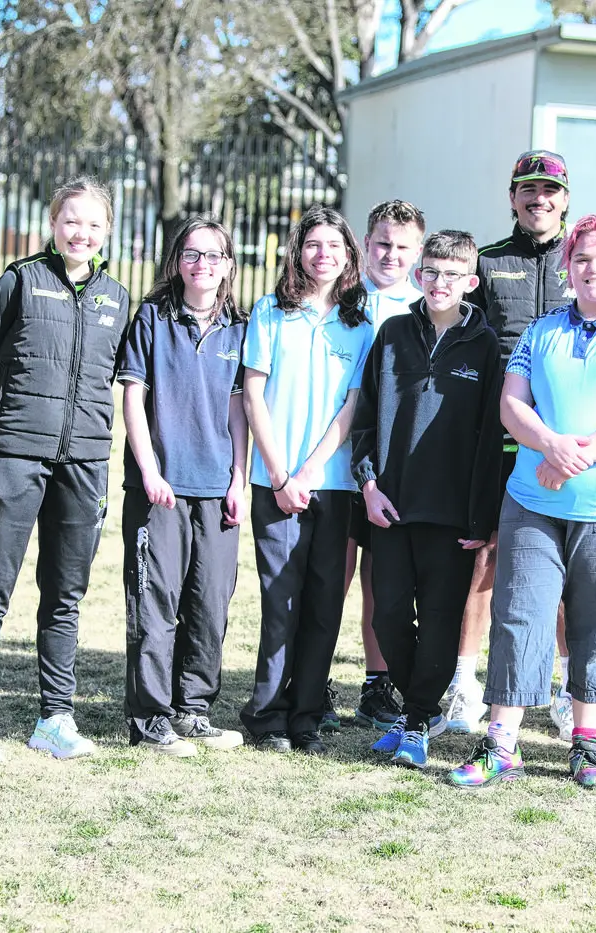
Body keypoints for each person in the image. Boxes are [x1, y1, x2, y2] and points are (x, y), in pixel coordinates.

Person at [447, 215, 596, 791]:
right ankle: (502, 743)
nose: (592, 269)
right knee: (518, 614)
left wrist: (578, 454)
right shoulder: (540, 331)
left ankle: (586, 744)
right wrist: (549, 443)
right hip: (533, 500)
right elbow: (511, 404)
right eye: (581, 260)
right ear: (566, 269)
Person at [0, 176, 130, 765]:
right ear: (53, 222)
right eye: (70, 219)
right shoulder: (17, 281)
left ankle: (55, 718)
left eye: (93, 223)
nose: (81, 232)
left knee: (65, 595)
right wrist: (11, 427)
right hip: (14, 456)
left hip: (83, 460)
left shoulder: (116, 298)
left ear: (108, 230)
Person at [351, 230, 503, 768]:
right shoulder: (391, 334)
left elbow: (491, 438)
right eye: (432, 272)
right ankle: (416, 704)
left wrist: (483, 519)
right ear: (420, 275)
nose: (440, 283)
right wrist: (368, 484)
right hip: (391, 507)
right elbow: (365, 417)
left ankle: (415, 720)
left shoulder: (485, 347)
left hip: (452, 517)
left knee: (441, 620)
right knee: (388, 615)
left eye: (453, 275)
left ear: (472, 282)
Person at [444, 149, 577, 739]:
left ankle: (568, 686)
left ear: (565, 198)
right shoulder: (490, 262)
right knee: (484, 559)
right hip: (497, 439)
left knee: (566, 568)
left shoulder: (584, 261)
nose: (539, 199)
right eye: (528, 189)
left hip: (571, 442)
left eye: (549, 190)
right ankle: (464, 684)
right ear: (512, 197)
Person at [239, 204, 373, 755]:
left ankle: (307, 713)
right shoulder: (270, 311)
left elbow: (352, 403)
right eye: (314, 244)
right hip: (275, 481)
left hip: (333, 483)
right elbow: (252, 390)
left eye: (334, 247)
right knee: (281, 598)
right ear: (298, 252)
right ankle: (267, 714)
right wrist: (278, 472)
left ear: (348, 257)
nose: (324, 255)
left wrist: (314, 469)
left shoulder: (359, 325)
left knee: (323, 601)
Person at [118, 216, 248, 758]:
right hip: (160, 489)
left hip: (218, 489)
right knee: (156, 602)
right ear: (176, 261)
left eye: (214, 256)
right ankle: (150, 718)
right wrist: (149, 471)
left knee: (210, 602)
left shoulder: (241, 328)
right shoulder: (151, 319)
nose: (203, 265)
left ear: (228, 266)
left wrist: (239, 479)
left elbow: (241, 410)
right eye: (192, 254)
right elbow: (130, 397)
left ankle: (193, 710)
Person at [342, 200, 426, 732]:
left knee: (379, 574)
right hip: (331, 462)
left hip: (387, 465)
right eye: (381, 243)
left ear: (418, 251)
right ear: (365, 245)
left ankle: (377, 682)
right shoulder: (342, 300)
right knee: (333, 573)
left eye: (402, 246)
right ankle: (310, 677)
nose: (390, 254)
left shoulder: (424, 305)